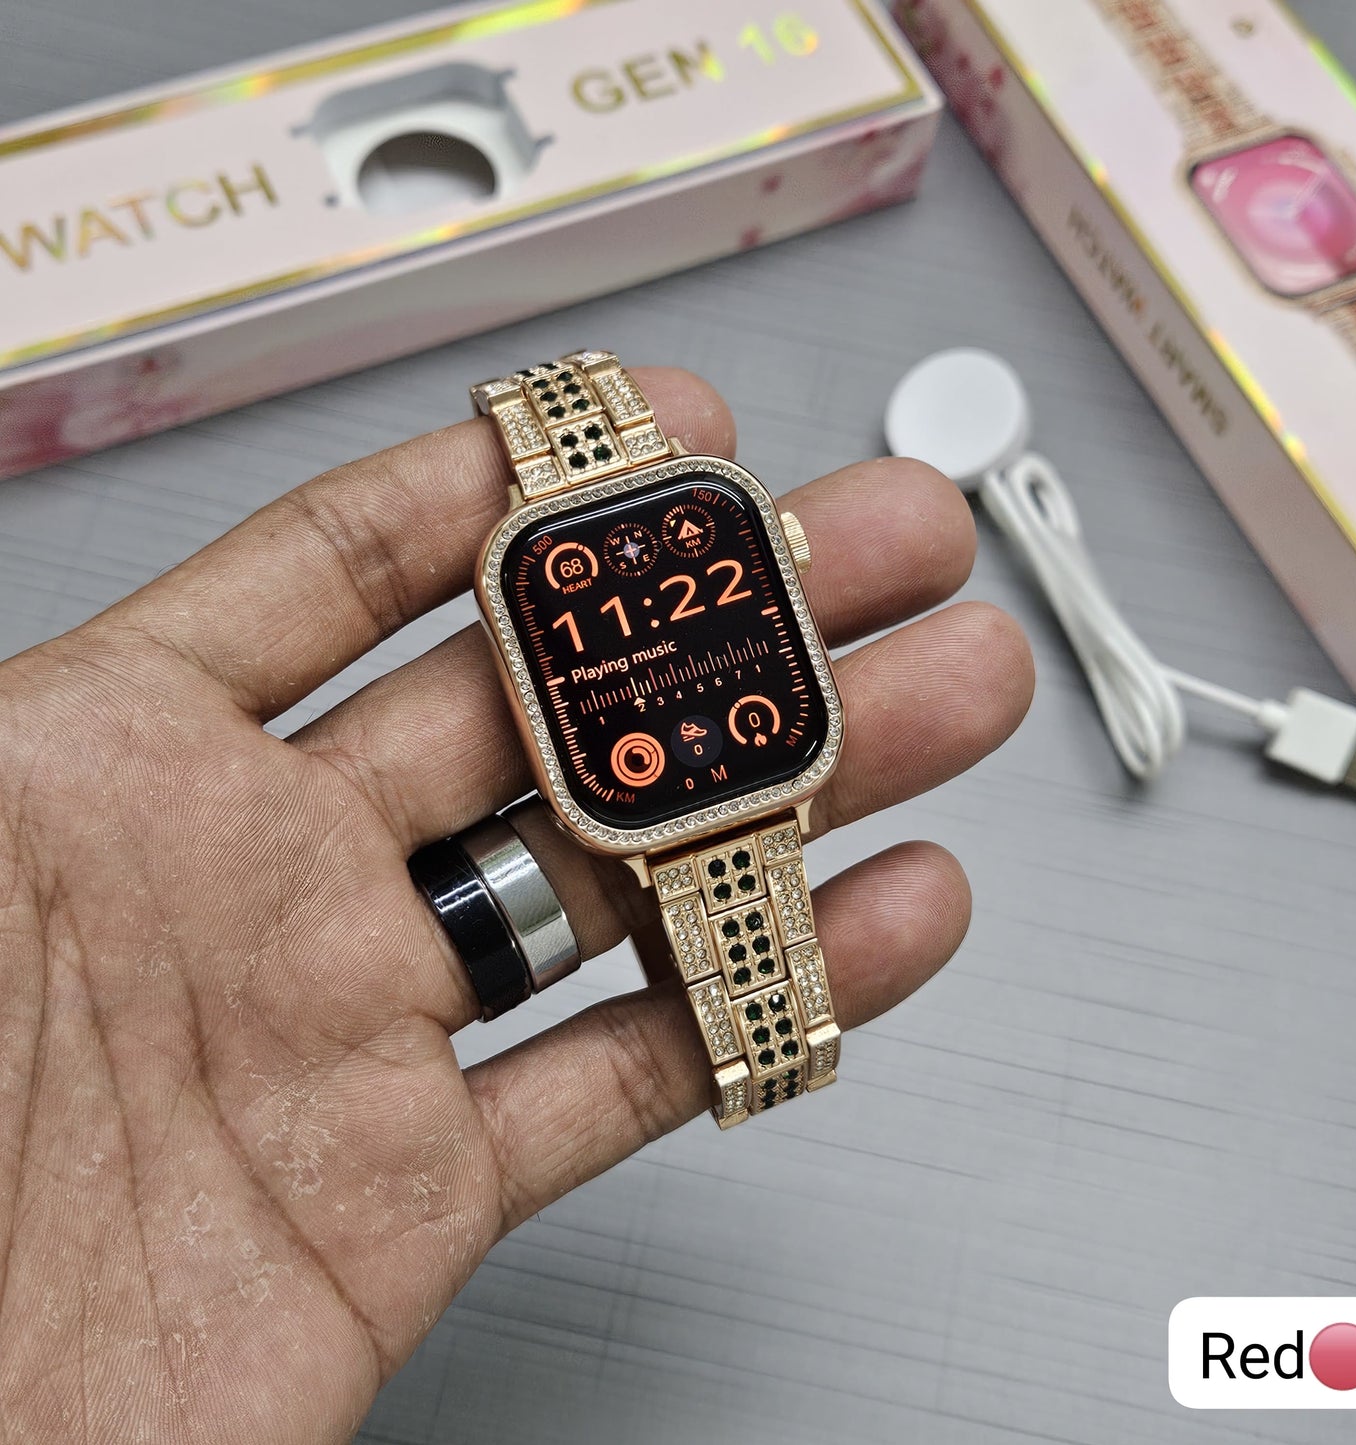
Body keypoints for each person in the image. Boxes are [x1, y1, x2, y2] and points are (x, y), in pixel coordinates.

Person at [0, 368, 1032, 1441]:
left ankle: (768, 1041)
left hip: (737, 771)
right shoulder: (557, 586)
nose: (651, 623)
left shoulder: (691, 538)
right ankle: (764, 1043)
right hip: (663, 794)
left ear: (782, 553)